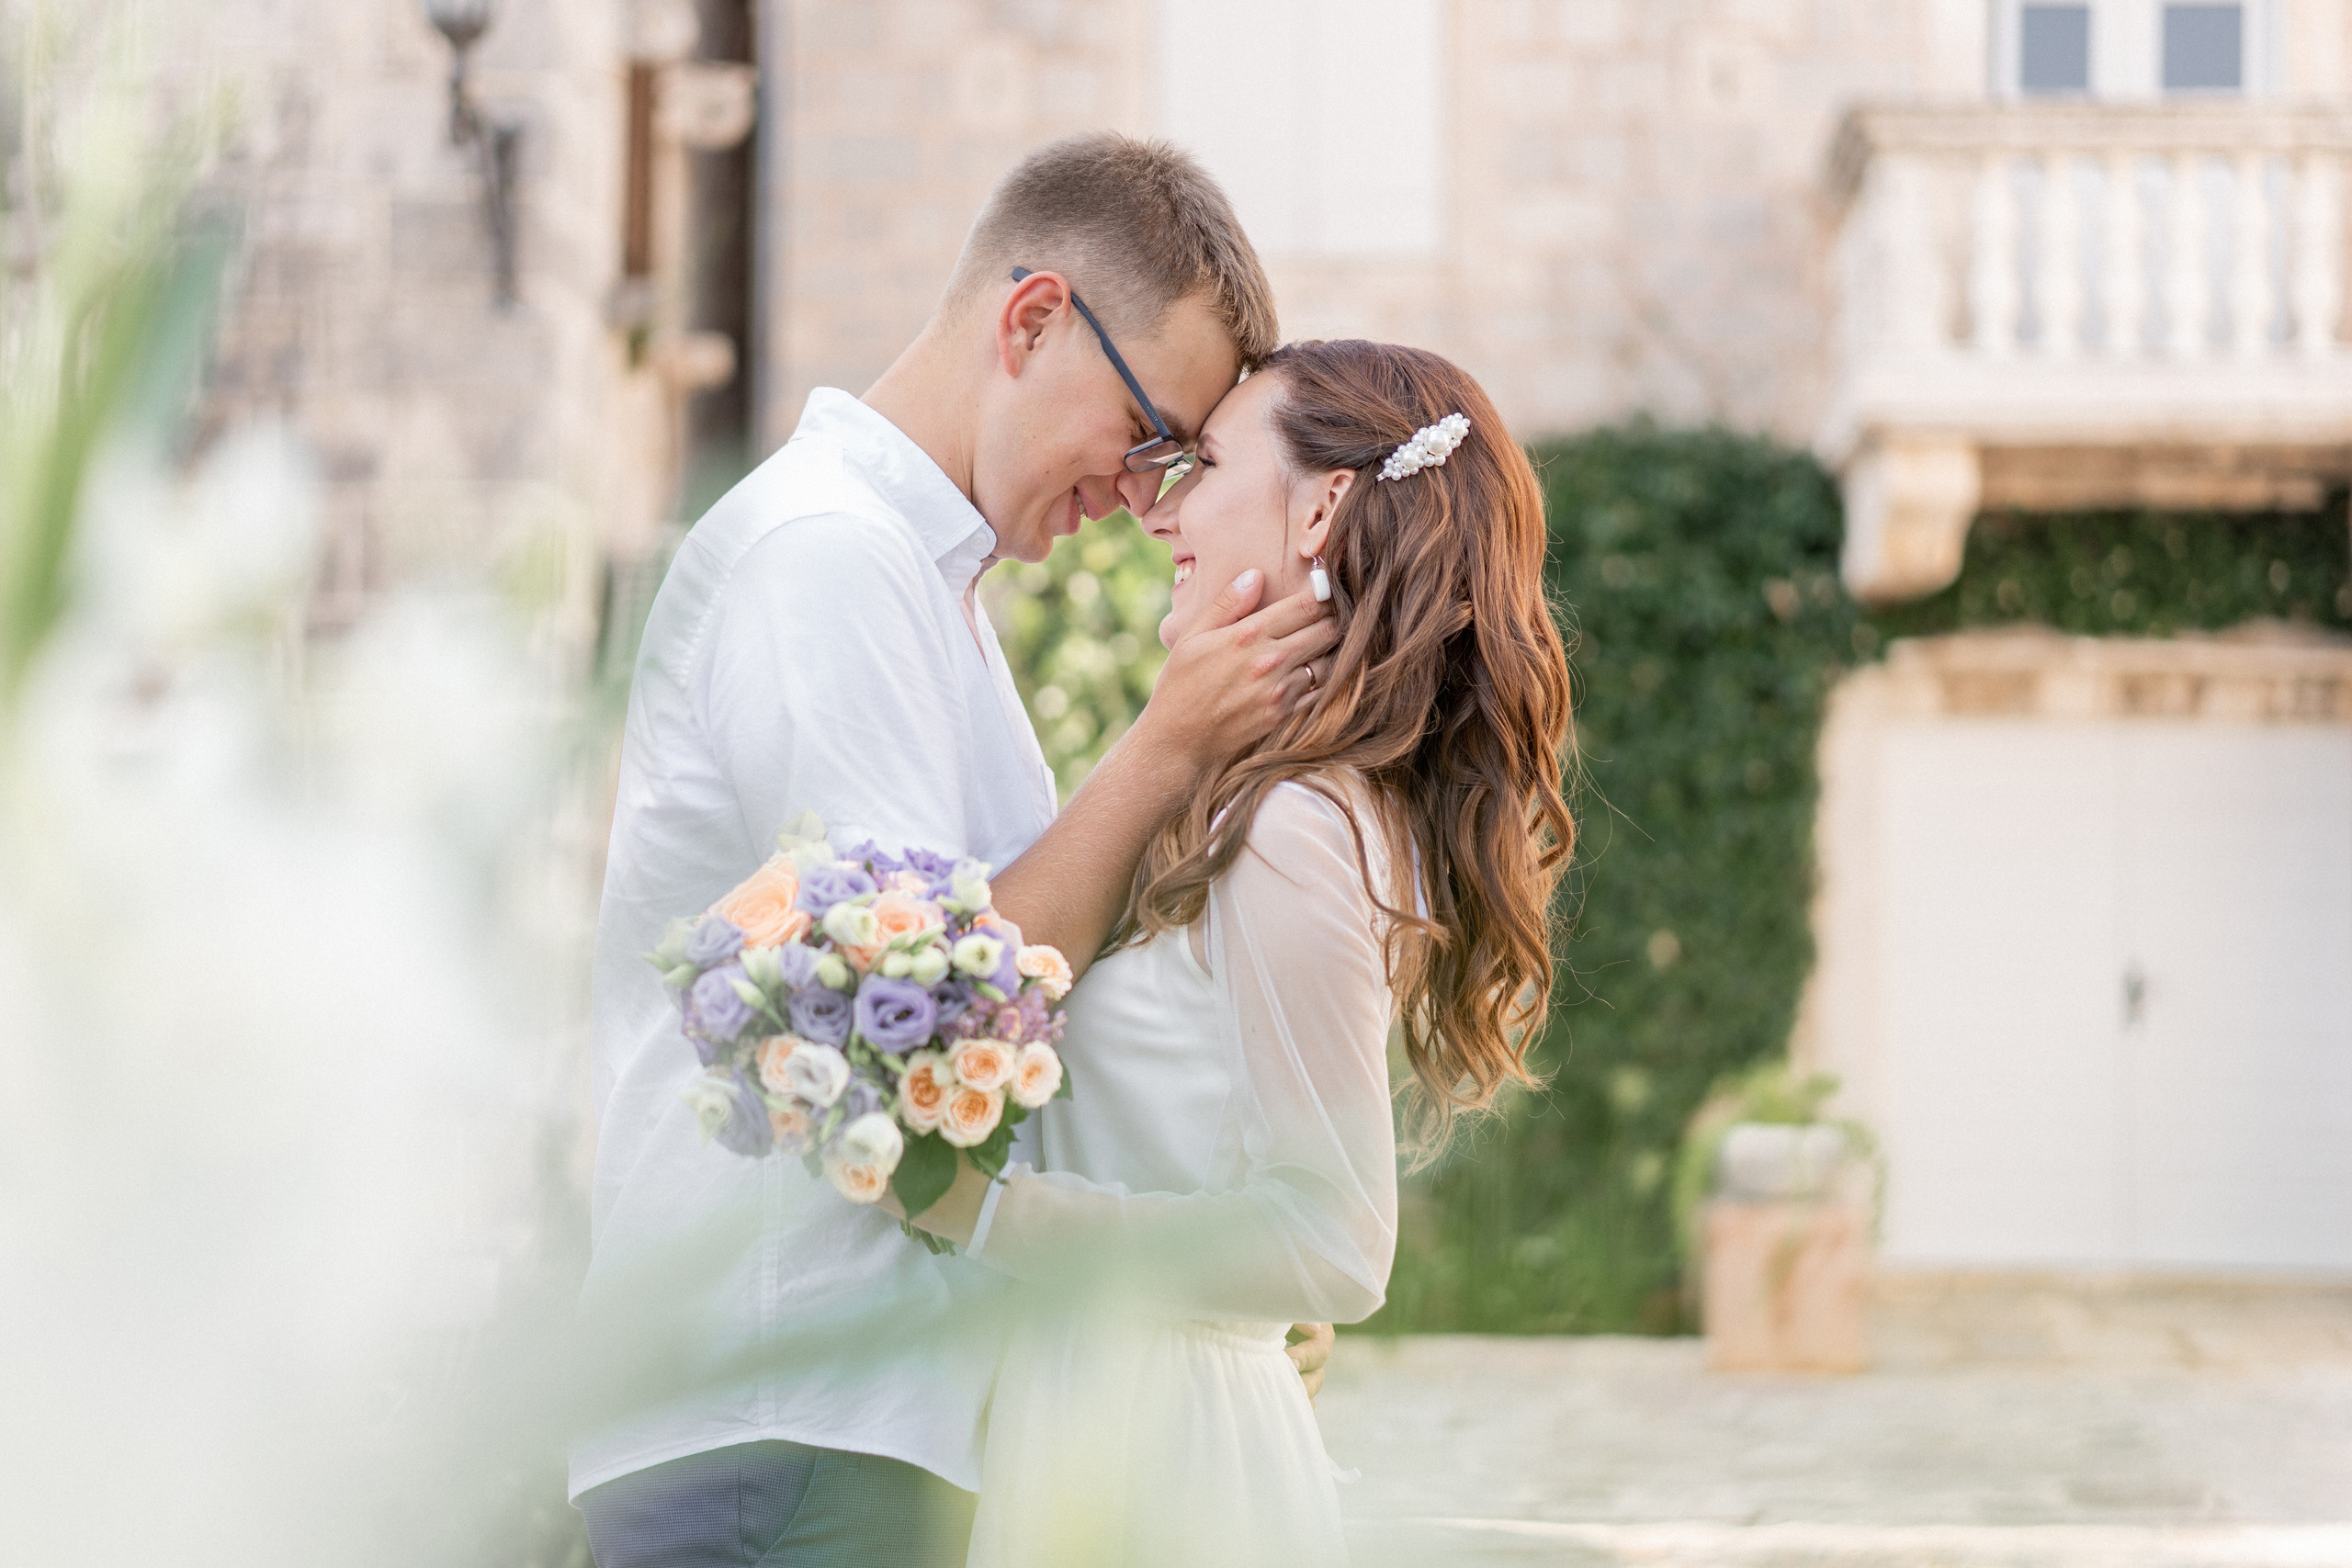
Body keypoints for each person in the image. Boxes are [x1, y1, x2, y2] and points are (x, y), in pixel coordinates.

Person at [569, 134, 1341, 1567]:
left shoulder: (924, 589)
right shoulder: (828, 559)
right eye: (1148, 431)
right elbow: (923, 1029)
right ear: (1033, 318)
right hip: (784, 1414)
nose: (1147, 498)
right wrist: (1167, 744)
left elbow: (1010, 1013)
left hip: (851, 1414)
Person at [891, 340, 1577, 1568]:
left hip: (1160, 1452)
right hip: (1107, 1408)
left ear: (1321, 509)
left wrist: (986, 1215)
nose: (1159, 513)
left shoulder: (1297, 827)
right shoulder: (1260, 804)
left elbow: (1335, 1241)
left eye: (1203, 467)